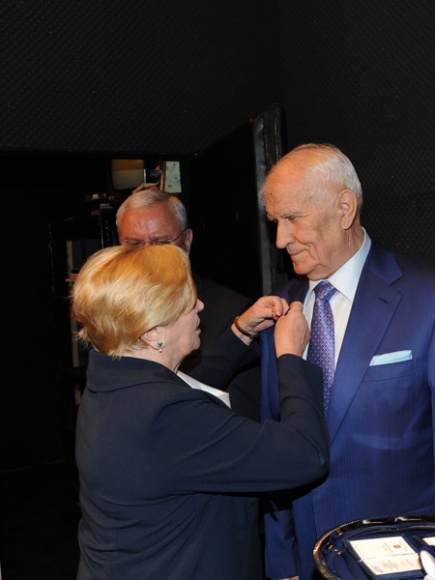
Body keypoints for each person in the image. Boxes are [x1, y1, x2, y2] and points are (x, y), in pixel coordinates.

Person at [71, 243, 330, 580]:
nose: (200, 305)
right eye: (186, 302)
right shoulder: (166, 417)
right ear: (152, 332)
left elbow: (187, 384)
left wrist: (241, 332)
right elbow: (305, 454)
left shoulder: (110, 382)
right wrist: (291, 356)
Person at [259, 142, 435, 580]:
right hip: (305, 562)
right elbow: (274, 442)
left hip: (405, 561)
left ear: (344, 208)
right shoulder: (280, 308)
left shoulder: (425, 296)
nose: (280, 239)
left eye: (292, 218)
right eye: (275, 222)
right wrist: (282, 564)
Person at [116, 188, 262, 421]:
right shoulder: (110, 312)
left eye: (160, 242)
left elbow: (244, 417)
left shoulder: (231, 312)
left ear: (187, 241)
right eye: (134, 244)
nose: (147, 255)